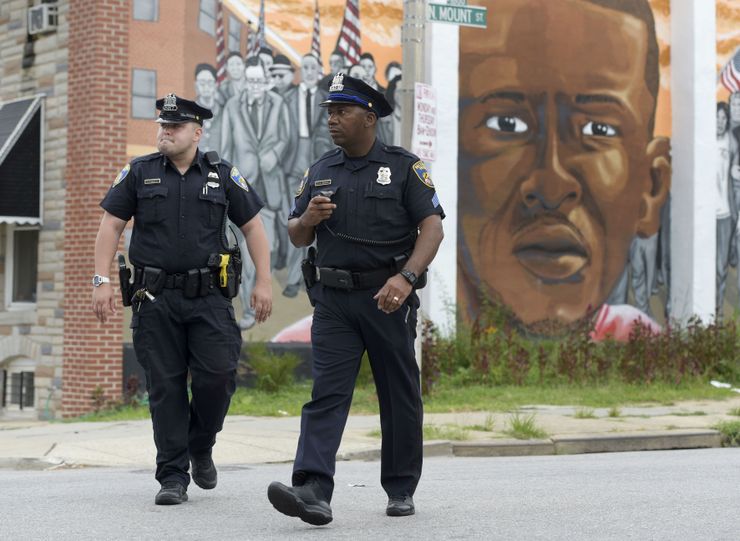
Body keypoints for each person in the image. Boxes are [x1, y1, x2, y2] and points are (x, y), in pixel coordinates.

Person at [267, 74, 444, 524]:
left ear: (369, 118)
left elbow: (433, 227)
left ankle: (400, 487)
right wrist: (306, 217)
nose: (332, 120)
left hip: (387, 299)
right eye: (329, 112)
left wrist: (406, 278)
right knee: (326, 393)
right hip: (334, 302)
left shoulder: (405, 168)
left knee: (398, 393)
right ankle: (312, 488)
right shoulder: (321, 169)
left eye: (341, 112)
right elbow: (295, 231)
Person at [92, 94, 272, 505]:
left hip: (209, 298)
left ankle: (200, 443)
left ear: (196, 131)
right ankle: (172, 476)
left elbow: (254, 228)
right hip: (154, 297)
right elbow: (111, 226)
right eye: (161, 125)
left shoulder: (222, 174)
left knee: (219, 376)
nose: (164, 132)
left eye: (173, 127)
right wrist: (101, 279)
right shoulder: (139, 172)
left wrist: (264, 281)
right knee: (165, 388)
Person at [457, 0, 670, 336]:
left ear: (651, 187)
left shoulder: (639, 344)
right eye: (506, 123)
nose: (552, 187)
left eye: (598, 130)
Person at [221, 57, 292, 329]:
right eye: (249, 81)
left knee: (269, 247)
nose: (254, 86)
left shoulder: (279, 104)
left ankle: (261, 296)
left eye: (258, 80)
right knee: (248, 253)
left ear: (266, 80)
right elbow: (225, 146)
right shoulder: (231, 106)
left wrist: (274, 154)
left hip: (270, 186)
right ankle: (251, 310)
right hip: (242, 186)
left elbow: (287, 138)